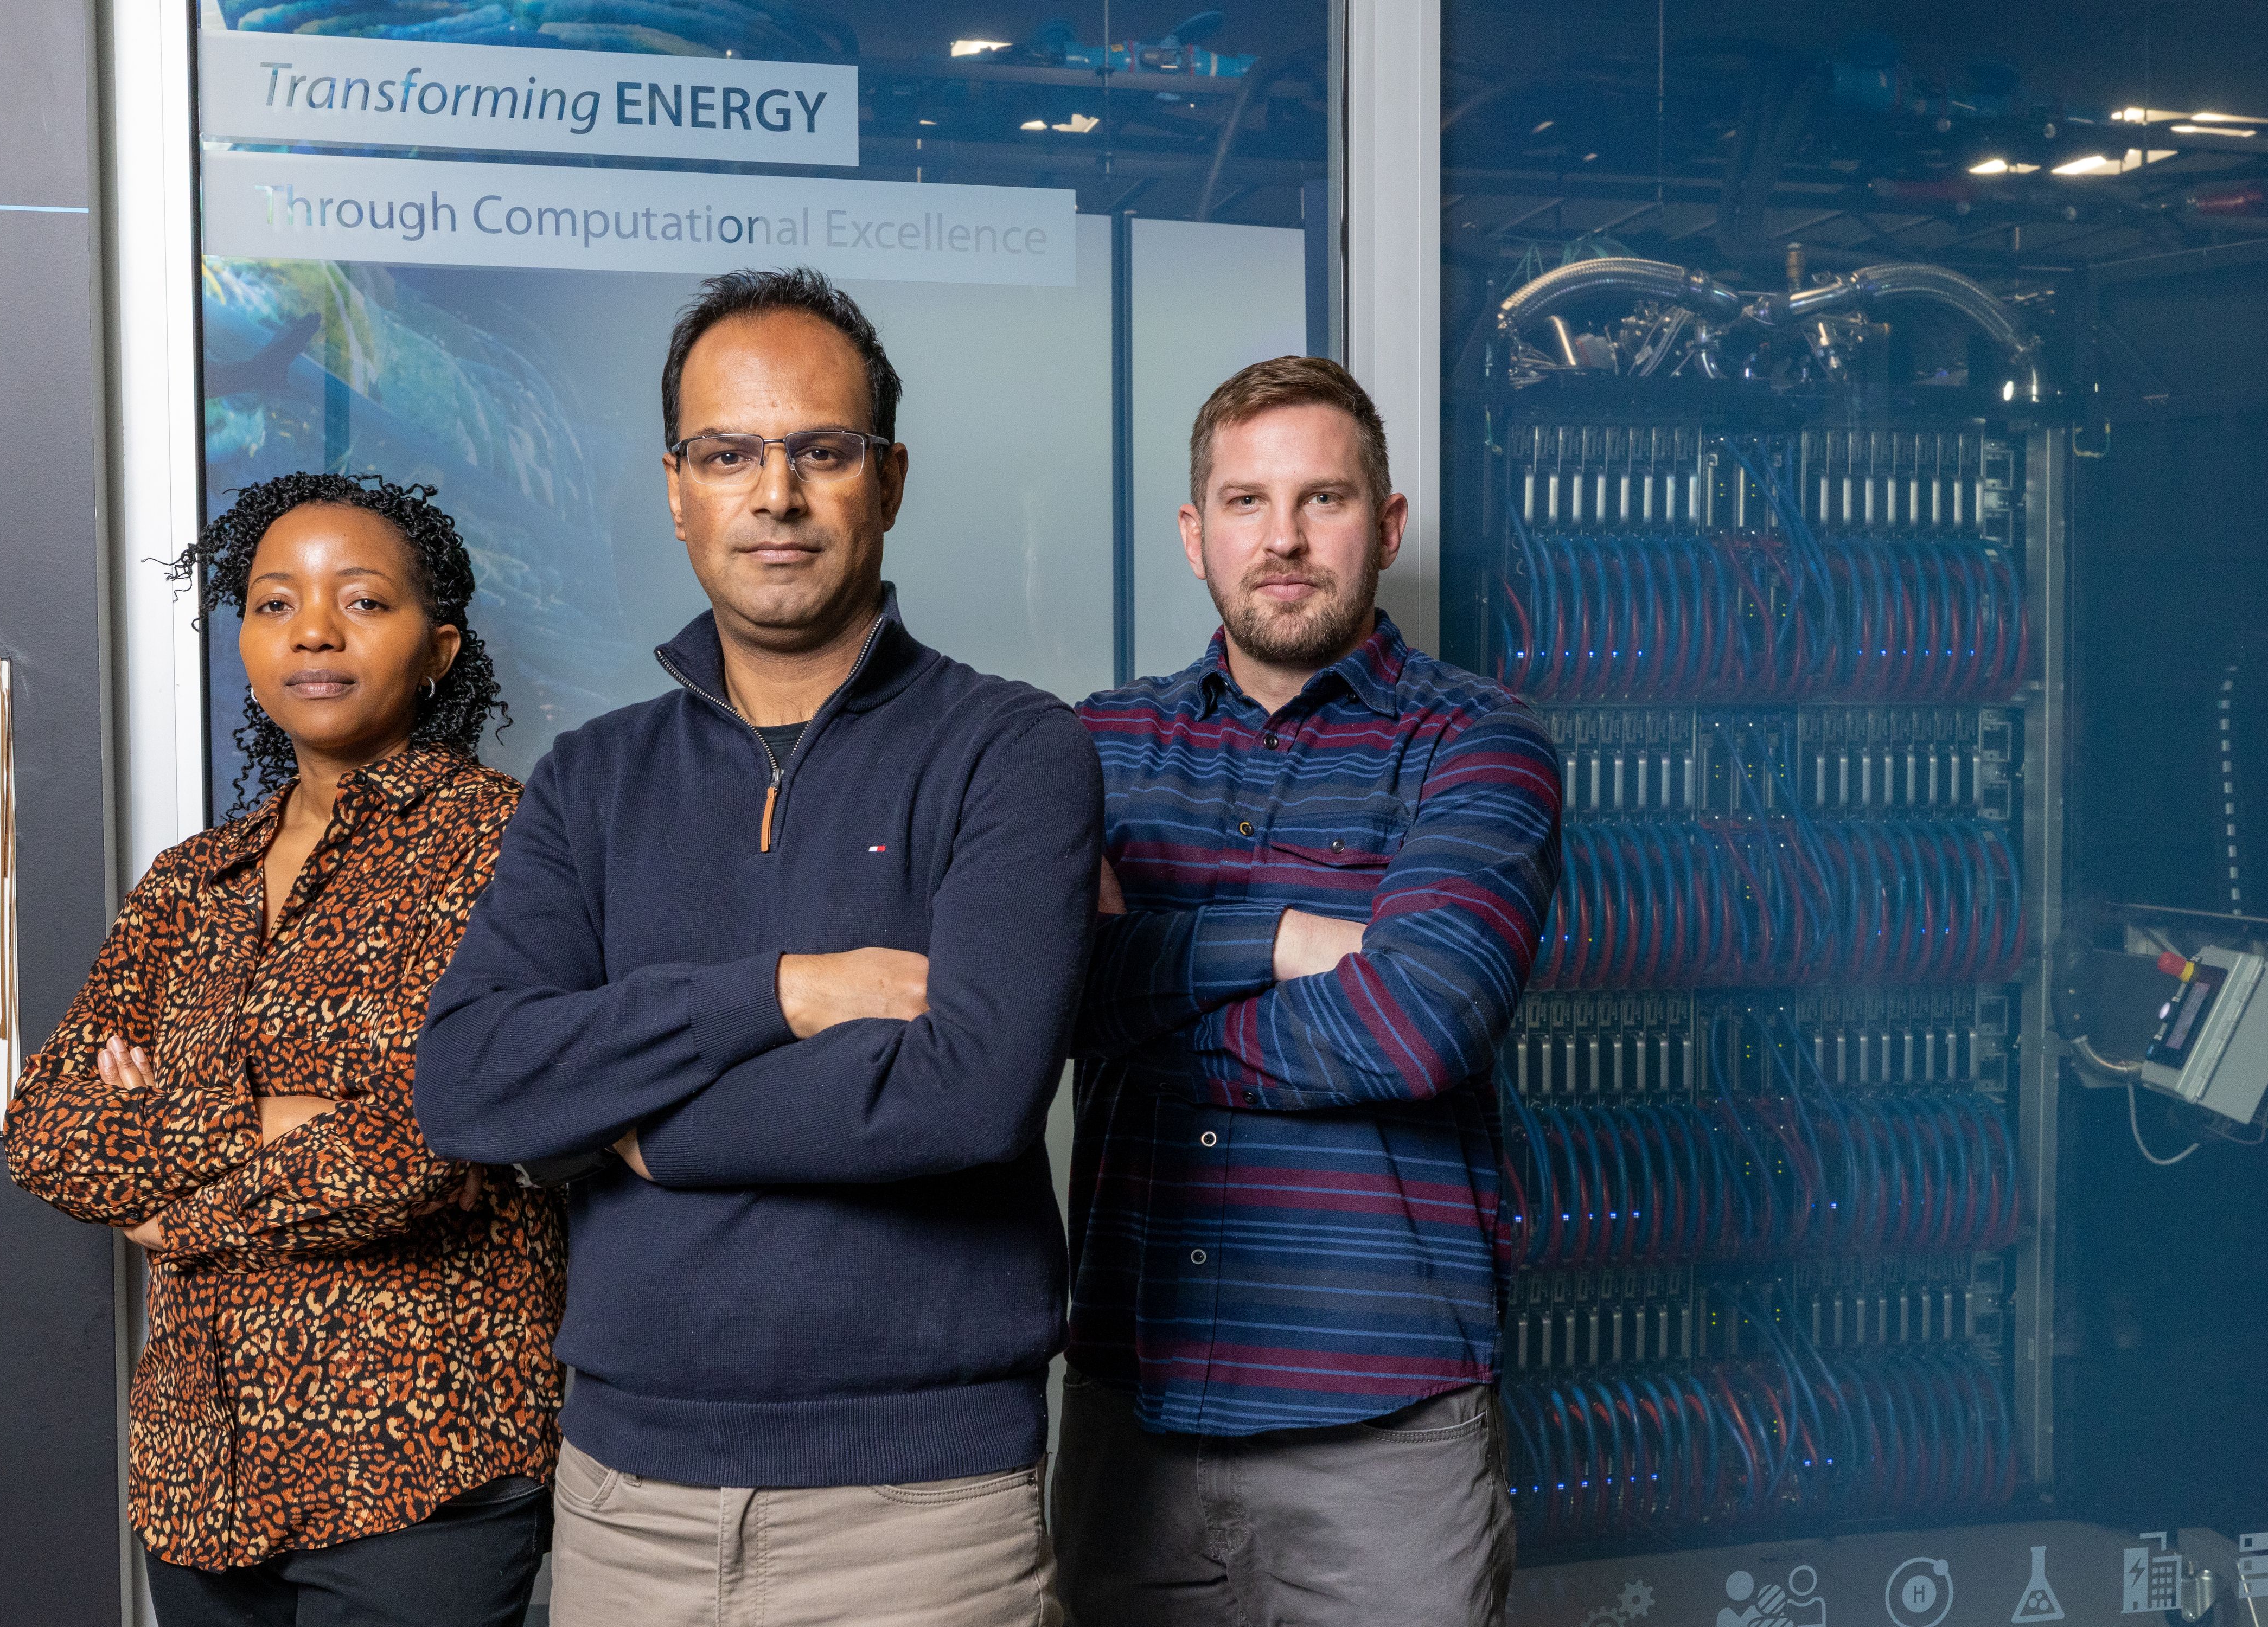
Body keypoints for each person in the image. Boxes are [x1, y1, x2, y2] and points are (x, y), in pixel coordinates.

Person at [414, 267, 1101, 1627]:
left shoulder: (1014, 751)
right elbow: (471, 1084)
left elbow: (967, 1094)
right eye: (728, 454)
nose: (773, 496)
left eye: (820, 452)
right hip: (625, 1502)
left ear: (887, 481)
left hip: (923, 1517)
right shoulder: (587, 781)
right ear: (677, 491)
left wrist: (637, 1125)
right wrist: (785, 995)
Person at [1053, 356, 1562, 1626]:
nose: (1280, 539)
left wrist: (1138, 988)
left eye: (1321, 499)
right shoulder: (1093, 748)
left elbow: (1416, 1021)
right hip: (1134, 1419)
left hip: (1382, 1443)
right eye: (1243, 503)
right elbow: (1033, 998)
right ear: (1193, 534)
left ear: (1384, 526)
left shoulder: (1477, 742)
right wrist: (1287, 937)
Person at [4, 473, 561, 1626]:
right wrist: (284, 1120)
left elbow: (423, 1142)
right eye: (273, 603)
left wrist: (164, 1180)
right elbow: (48, 1128)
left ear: (439, 648)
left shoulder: (504, 845)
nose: (313, 629)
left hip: (418, 1455)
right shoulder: (190, 882)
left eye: (362, 601)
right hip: (200, 1469)